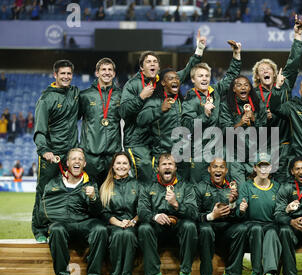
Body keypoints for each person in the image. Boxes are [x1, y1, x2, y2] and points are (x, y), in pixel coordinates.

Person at [119, 31, 206, 184]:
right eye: (148, 62)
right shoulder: (133, 85)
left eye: (155, 62)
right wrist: (141, 97)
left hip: (153, 139)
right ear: (141, 67)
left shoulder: (162, 81)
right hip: (137, 139)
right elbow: (123, 111)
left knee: (160, 175)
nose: (152, 64)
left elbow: (184, 73)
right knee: (145, 172)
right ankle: (142, 204)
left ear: (159, 67)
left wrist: (199, 50)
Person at [34, 148, 107, 275]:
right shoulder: (54, 183)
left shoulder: (90, 184)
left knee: (100, 229)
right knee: (56, 229)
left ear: (84, 164)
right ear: (67, 162)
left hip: (84, 223)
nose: (77, 161)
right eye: (73, 159)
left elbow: (97, 212)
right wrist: (41, 230)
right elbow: (43, 208)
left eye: (80, 159)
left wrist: (93, 198)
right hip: (63, 225)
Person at [32, 60, 80, 243]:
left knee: (69, 192)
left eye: (69, 74)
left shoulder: (75, 94)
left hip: (70, 154)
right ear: (55, 75)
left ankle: (64, 229)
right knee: (44, 191)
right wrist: (45, 151)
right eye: (63, 74)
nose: (66, 77)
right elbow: (39, 131)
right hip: (51, 155)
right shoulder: (46, 99)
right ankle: (39, 230)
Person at [251, 17, 302, 183]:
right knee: (264, 182)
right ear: (258, 76)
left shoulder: (284, 84)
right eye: (261, 70)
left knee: (286, 182)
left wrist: (298, 36)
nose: (265, 71)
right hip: (264, 146)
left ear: (274, 74)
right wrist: (262, 118)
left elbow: (293, 62)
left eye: (269, 69)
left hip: (286, 144)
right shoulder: (253, 94)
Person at [181, 40, 242, 184]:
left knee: (219, 187)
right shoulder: (190, 99)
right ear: (193, 79)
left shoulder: (216, 91)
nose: (204, 78)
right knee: (198, 188)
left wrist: (236, 54)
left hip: (218, 150)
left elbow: (231, 77)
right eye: (200, 76)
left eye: (206, 76)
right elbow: (186, 125)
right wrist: (205, 114)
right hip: (199, 152)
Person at [137, 153, 198, 275]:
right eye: (164, 164)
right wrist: (155, 216)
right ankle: (154, 274)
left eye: (170, 164)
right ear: (158, 168)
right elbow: (141, 211)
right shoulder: (148, 186)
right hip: (157, 228)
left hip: (178, 228)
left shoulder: (186, 186)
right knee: (143, 228)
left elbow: (194, 213)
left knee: (190, 225)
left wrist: (177, 205)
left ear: (175, 168)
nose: (167, 167)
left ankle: (185, 272)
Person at [194, 157, 247, 275]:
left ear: (226, 170)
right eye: (215, 166)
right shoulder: (200, 187)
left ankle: (232, 273)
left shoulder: (233, 188)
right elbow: (193, 215)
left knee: (241, 229)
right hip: (208, 228)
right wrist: (212, 216)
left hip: (226, 229)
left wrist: (233, 204)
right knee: (205, 229)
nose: (218, 170)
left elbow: (237, 217)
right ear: (209, 169)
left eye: (221, 167)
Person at [236, 153, 281, 275]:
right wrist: (242, 209)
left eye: (266, 166)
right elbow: (239, 213)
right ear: (255, 168)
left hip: (271, 225)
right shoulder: (246, 186)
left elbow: (280, 210)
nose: (263, 170)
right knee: (256, 229)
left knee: (272, 232)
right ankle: (256, 271)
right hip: (252, 224)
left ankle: (268, 274)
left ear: (271, 168)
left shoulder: (277, 186)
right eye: (260, 166)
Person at [79, 58, 122, 186]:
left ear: (114, 74)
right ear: (97, 73)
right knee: (91, 195)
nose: (107, 72)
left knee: (110, 197)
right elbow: (72, 121)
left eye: (110, 70)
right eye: (103, 69)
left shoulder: (121, 95)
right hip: (91, 155)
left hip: (112, 155)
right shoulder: (85, 96)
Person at [99, 152, 139, 275]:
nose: (121, 166)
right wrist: (119, 223)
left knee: (128, 235)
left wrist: (133, 221)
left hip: (132, 224)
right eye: (118, 163)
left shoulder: (137, 185)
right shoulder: (105, 186)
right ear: (113, 166)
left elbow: (143, 209)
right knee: (117, 235)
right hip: (114, 225)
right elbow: (105, 212)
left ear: (129, 166)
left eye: (124, 163)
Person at [219, 75, 266, 186]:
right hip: (235, 155)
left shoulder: (258, 105)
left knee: (254, 188)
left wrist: (254, 120)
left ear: (250, 88)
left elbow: (264, 132)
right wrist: (240, 123)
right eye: (239, 85)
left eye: (246, 85)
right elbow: (224, 131)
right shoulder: (226, 105)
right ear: (234, 89)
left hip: (253, 154)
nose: (243, 88)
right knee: (240, 188)